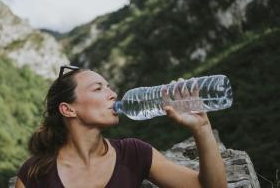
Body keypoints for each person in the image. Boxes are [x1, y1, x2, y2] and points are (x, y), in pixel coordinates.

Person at [15, 65, 227, 188]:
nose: (113, 94)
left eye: (109, 87)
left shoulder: (133, 153)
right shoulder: (35, 173)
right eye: (98, 88)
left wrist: (201, 127)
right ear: (68, 109)